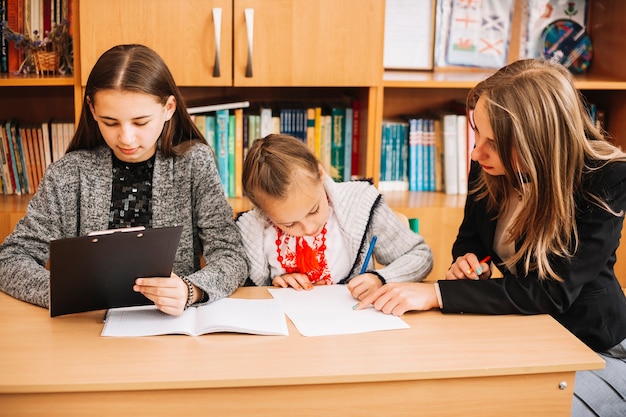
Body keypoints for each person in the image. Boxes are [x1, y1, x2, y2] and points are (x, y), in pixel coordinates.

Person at [356, 59, 626, 416]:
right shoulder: (487, 165)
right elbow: (471, 239)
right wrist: (470, 262)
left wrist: (436, 292)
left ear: (538, 143)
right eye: (476, 135)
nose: (475, 152)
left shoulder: (606, 180)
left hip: (593, 347)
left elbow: (550, 290)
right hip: (523, 336)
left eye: (493, 142)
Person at [0, 44, 249, 316]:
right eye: (110, 122)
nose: (126, 139)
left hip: (171, 329)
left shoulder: (194, 164)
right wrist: (65, 292)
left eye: (140, 122)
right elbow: (10, 259)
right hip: (86, 333)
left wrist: (192, 290)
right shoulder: (68, 174)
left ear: (168, 108)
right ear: (92, 111)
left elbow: (231, 255)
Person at [235, 133, 433, 300]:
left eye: (313, 210)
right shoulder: (252, 231)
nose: (308, 228)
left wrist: (381, 278)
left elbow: (420, 256)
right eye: (289, 224)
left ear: (321, 173)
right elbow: (245, 295)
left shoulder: (360, 205)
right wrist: (274, 286)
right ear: (263, 212)